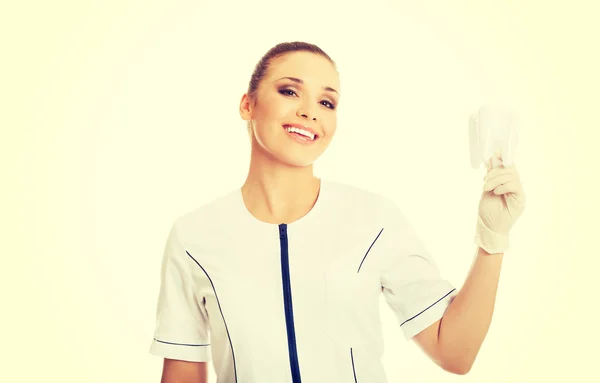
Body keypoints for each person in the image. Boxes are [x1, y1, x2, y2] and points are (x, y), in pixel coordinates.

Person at [149, 41, 526, 383]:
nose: (309, 112)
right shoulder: (194, 237)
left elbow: (454, 353)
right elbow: (183, 375)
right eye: (289, 91)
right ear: (247, 103)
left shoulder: (373, 219)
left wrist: (492, 240)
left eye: (326, 102)